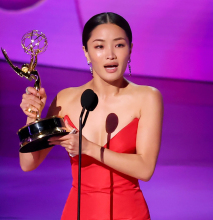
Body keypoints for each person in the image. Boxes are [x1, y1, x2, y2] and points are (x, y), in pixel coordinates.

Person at [20, 12, 163, 220]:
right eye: (99, 46)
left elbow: (145, 168)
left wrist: (88, 148)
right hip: (78, 212)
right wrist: (32, 117)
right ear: (86, 53)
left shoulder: (147, 97)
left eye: (119, 45)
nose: (110, 54)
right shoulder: (66, 99)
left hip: (128, 213)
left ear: (130, 49)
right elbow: (28, 163)